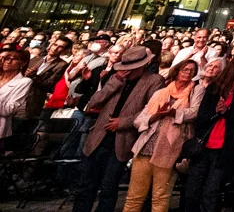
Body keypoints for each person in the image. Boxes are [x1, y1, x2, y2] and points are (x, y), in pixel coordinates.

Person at [73, 45, 165, 212]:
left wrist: (123, 122)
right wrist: (114, 82)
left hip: (122, 139)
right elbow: (94, 102)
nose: (127, 71)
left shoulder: (154, 80)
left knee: (108, 187)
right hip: (98, 136)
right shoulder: (116, 78)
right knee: (85, 185)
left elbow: (150, 110)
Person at [124, 58, 202, 212]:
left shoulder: (196, 91)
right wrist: (156, 116)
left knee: (160, 196)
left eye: (192, 71)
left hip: (170, 148)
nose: (189, 73)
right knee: (134, 195)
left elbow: (195, 112)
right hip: (146, 145)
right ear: (177, 70)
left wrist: (173, 112)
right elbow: (139, 120)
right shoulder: (161, 92)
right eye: (185, 69)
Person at [183, 56, 234, 212]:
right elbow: (202, 115)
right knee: (192, 189)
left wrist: (226, 112)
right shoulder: (214, 88)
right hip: (204, 145)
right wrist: (216, 112)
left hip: (223, 148)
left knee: (211, 191)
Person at [25, 36, 71, 119]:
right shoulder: (36, 58)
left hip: (34, 99)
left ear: (65, 50)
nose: (55, 48)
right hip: (20, 93)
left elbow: (49, 84)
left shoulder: (61, 64)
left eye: (60, 47)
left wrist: (34, 76)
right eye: (55, 44)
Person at [0, 46, 32, 142]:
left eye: (14, 59)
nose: (8, 62)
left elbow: (9, 109)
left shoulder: (24, 82)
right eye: (7, 58)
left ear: (23, 63)